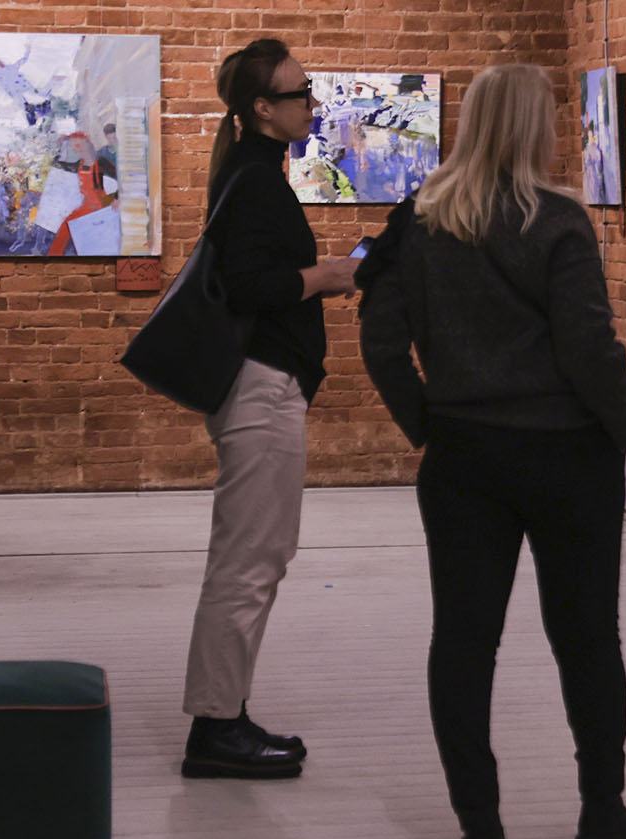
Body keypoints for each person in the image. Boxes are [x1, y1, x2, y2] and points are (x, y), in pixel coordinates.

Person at [358, 63, 626, 839]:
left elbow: (380, 341)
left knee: (463, 641)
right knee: (587, 637)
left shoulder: (419, 222)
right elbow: (587, 343)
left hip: (464, 459)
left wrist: (428, 422)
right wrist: (621, 425)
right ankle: (601, 812)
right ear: (532, 127)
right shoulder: (557, 222)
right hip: (568, 457)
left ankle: (480, 833)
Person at [180, 38, 358, 780]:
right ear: (262, 108)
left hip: (263, 384)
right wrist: (328, 275)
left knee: (258, 555)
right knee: (249, 560)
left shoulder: (254, 173)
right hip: (260, 387)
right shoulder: (255, 181)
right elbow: (252, 285)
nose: (311, 103)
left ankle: (224, 715)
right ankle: (217, 728)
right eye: (298, 93)